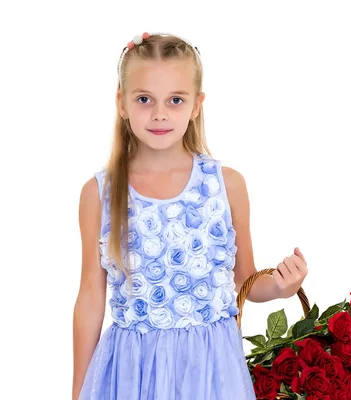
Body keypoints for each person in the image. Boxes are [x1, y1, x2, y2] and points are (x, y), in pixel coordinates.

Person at [72, 31, 309, 400]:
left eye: (176, 100)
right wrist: (79, 390)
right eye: (144, 99)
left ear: (197, 104)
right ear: (122, 103)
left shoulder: (225, 185)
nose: (160, 113)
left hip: (211, 371)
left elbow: (244, 279)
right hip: (131, 374)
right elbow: (90, 296)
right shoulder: (99, 194)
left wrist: (280, 288)